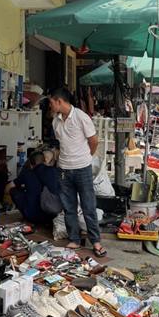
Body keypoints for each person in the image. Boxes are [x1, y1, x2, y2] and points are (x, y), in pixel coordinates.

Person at [49, 88, 105, 257]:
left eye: (51, 102)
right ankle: (74, 239)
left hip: (83, 169)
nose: (50, 106)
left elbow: (94, 141)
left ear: (59, 101)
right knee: (69, 207)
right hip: (64, 170)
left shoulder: (81, 117)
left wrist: (86, 157)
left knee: (88, 206)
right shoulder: (56, 122)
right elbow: (62, 144)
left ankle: (96, 242)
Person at [10, 151, 61, 225]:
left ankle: (27, 216)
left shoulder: (27, 173)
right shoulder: (55, 171)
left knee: (13, 191)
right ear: (45, 161)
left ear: (31, 164)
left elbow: (9, 187)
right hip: (53, 215)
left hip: (33, 216)